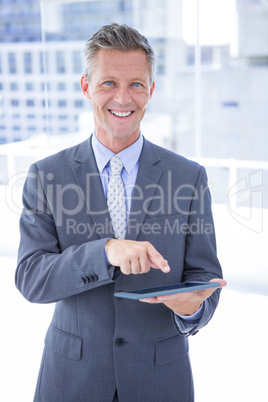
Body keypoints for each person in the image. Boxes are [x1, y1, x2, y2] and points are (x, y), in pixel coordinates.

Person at [15, 23, 226, 402]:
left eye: (136, 84)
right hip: (71, 380)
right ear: (86, 87)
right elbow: (31, 278)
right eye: (109, 82)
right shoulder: (47, 175)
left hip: (160, 381)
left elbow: (205, 278)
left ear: (151, 91)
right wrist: (106, 250)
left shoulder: (188, 177)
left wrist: (193, 309)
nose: (123, 98)